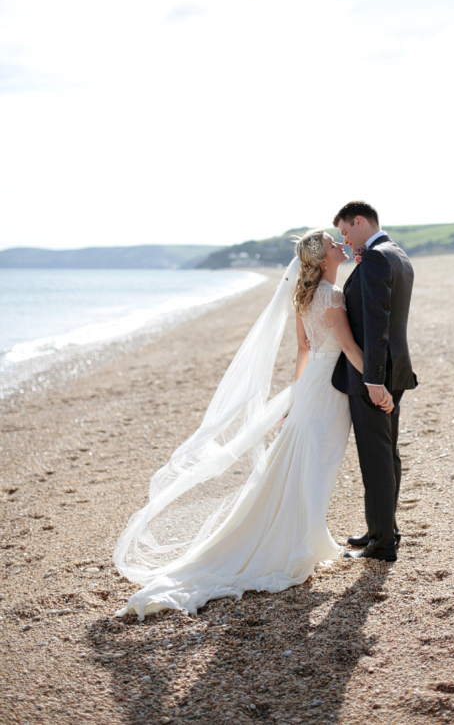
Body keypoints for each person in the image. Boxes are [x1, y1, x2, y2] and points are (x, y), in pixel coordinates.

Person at [114, 230, 368, 620]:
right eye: (334, 245)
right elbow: (349, 347)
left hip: (309, 387)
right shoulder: (332, 296)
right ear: (321, 260)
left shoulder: (304, 297)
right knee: (319, 463)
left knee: (300, 463)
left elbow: (303, 349)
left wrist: (296, 394)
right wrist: (376, 383)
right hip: (326, 392)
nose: (340, 246)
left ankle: (308, 538)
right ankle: (304, 545)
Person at [332, 201, 418, 563]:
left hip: (373, 376)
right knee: (387, 452)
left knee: (376, 457)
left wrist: (372, 381)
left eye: (346, 232)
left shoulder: (377, 258)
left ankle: (383, 543)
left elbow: (376, 325)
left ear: (360, 221)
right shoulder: (398, 253)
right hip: (393, 370)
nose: (345, 240)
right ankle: (384, 527)